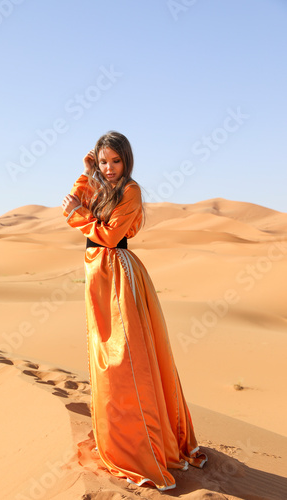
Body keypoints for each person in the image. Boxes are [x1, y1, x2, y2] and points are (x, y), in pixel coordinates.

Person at [62, 130, 207, 491]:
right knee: (103, 357)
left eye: (116, 161)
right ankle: (117, 436)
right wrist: (86, 172)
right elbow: (78, 198)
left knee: (124, 359)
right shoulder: (100, 184)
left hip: (118, 275)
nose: (110, 169)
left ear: (126, 160)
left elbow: (109, 236)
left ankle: (142, 444)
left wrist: (79, 215)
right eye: (104, 161)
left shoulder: (131, 190)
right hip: (98, 273)